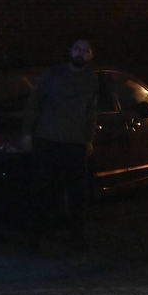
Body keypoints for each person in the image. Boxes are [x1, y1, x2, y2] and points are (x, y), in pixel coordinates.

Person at [22, 37, 98, 250]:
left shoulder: (91, 81)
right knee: (42, 188)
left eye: (85, 50)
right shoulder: (53, 75)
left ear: (90, 55)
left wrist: (89, 139)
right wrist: (28, 132)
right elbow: (34, 102)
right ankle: (37, 233)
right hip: (48, 139)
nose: (80, 53)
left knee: (77, 191)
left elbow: (91, 112)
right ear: (70, 51)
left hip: (75, 143)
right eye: (77, 49)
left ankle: (76, 235)